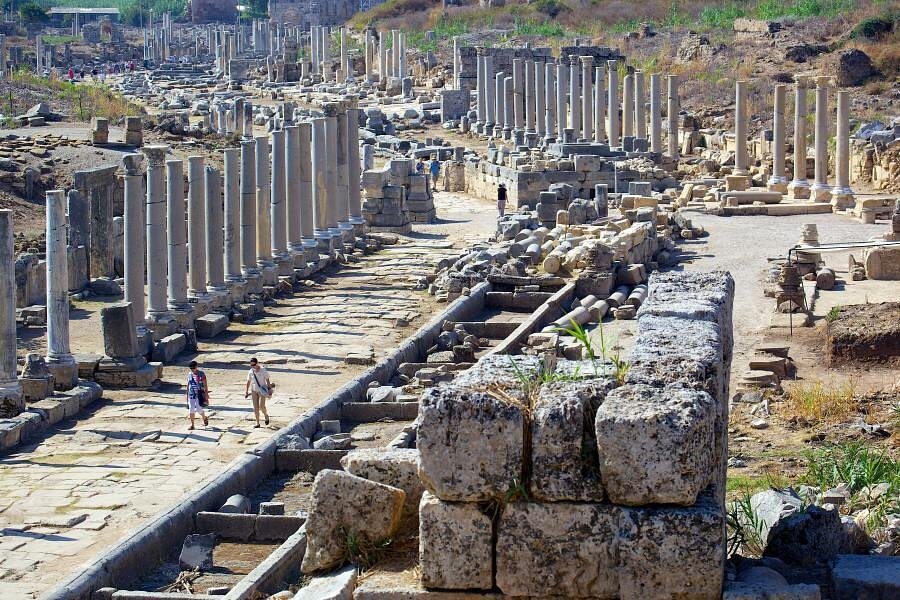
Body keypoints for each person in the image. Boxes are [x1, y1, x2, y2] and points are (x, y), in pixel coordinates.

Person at [244, 357, 272, 428]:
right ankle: (257, 423)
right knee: (255, 407)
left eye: (254, 365)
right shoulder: (251, 371)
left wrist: (269, 389)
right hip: (254, 390)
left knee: (262, 406)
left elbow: (267, 380)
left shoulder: (263, 370)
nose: (253, 366)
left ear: (257, 363)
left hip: (262, 390)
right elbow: (248, 381)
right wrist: (246, 391)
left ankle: (266, 415)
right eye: (251, 365)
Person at [186, 361, 209, 430]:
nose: (192, 370)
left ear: (196, 367)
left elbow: (205, 384)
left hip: (199, 394)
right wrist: (187, 394)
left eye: (193, 368)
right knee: (191, 410)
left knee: (199, 409)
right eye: (191, 369)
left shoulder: (201, 374)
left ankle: (204, 417)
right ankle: (192, 425)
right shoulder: (189, 374)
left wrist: (206, 394)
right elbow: (188, 384)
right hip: (191, 394)